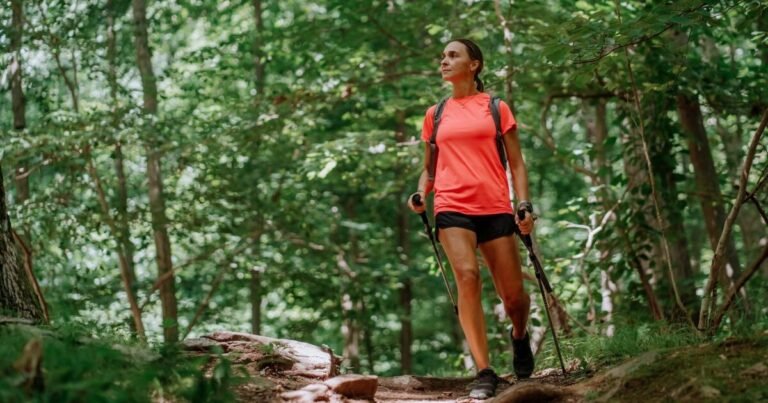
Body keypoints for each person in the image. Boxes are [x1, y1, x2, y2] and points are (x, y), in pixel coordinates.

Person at [407, 38, 535, 399]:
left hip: (495, 207)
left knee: (513, 298)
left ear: (474, 64)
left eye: (452, 55)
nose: (444, 61)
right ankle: (484, 370)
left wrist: (523, 204)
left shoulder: (496, 108)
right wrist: (420, 194)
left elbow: (517, 163)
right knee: (467, 276)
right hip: (451, 207)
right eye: (443, 56)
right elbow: (428, 170)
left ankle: (519, 335)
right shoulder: (436, 114)